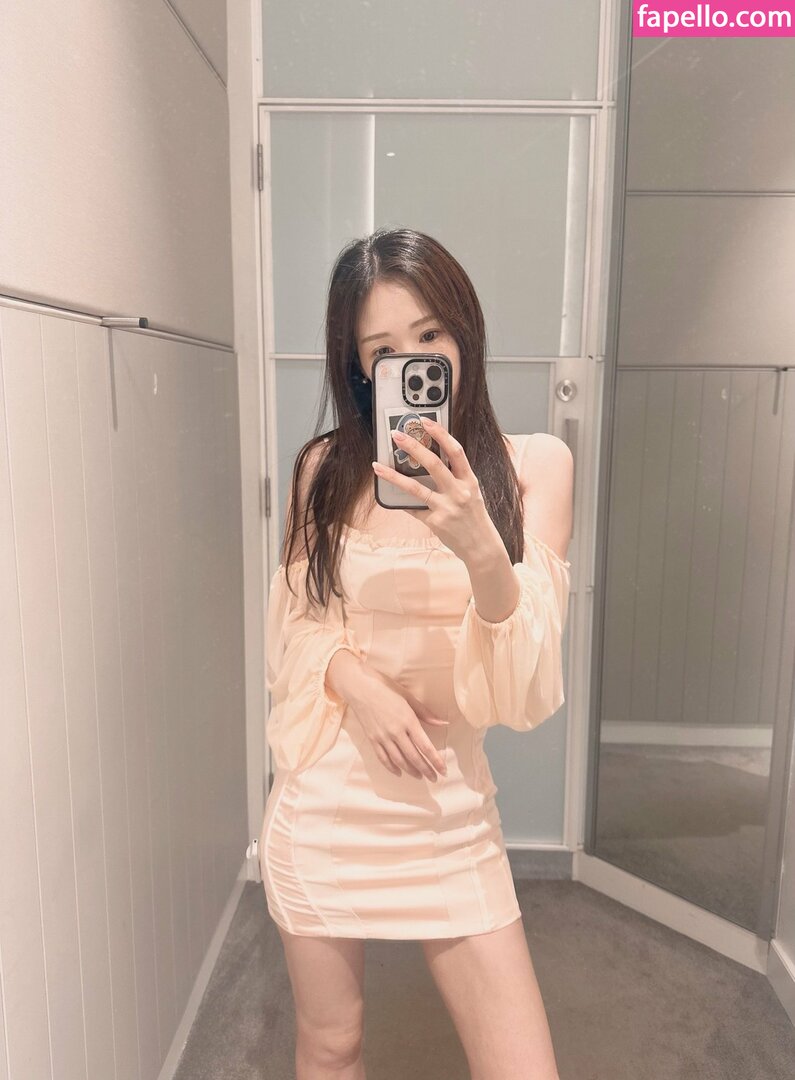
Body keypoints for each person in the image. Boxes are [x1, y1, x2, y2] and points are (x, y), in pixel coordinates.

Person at [258, 227, 573, 1080]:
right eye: (383, 350)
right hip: (325, 800)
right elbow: (294, 626)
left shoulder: (535, 468)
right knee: (332, 1046)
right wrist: (355, 682)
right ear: (360, 368)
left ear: (463, 332)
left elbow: (524, 686)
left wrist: (479, 545)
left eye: (429, 335)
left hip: (449, 812)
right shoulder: (322, 469)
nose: (412, 363)